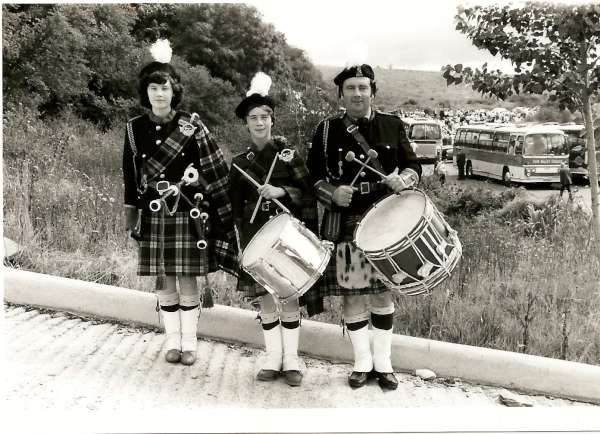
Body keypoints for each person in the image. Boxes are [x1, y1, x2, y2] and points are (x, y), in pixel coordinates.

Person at [307, 61, 422, 390]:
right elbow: (311, 176)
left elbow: (413, 164)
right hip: (349, 219)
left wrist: (406, 178)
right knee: (354, 294)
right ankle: (362, 363)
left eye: (363, 87)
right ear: (341, 94)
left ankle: (384, 364)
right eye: (351, 88)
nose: (357, 93)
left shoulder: (392, 125)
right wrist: (332, 193)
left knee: (383, 292)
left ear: (373, 91)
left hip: (387, 217)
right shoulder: (327, 130)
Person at [123, 39, 238, 366]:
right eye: (153, 88)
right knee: (164, 279)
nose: (159, 93)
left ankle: (190, 344)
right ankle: (171, 342)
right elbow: (130, 176)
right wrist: (131, 215)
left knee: (187, 279)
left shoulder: (191, 125)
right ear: (145, 92)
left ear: (175, 91)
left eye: (165, 88)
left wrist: (194, 179)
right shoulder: (134, 129)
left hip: (189, 211)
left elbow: (215, 173)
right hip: (155, 212)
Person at [229, 72, 321, 387]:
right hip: (256, 235)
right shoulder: (240, 163)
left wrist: (281, 192)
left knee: (289, 294)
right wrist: (241, 240)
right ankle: (272, 359)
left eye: (265, 117)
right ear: (246, 123)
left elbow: (309, 194)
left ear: (273, 119)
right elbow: (233, 204)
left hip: (287, 236)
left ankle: (292, 361)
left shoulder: (289, 156)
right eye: (253, 117)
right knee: (265, 300)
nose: (259, 122)